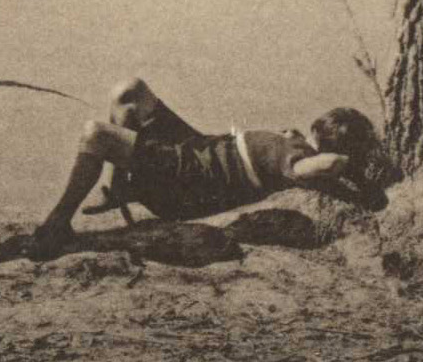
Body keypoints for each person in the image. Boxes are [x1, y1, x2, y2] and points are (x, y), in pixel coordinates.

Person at [24, 78, 384, 260]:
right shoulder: (293, 143)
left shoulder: (296, 158)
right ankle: (120, 185)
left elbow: (323, 165)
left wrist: (343, 165)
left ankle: (57, 226)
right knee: (128, 91)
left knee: (96, 135)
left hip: (188, 181)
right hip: (198, 149)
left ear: (325, 133)